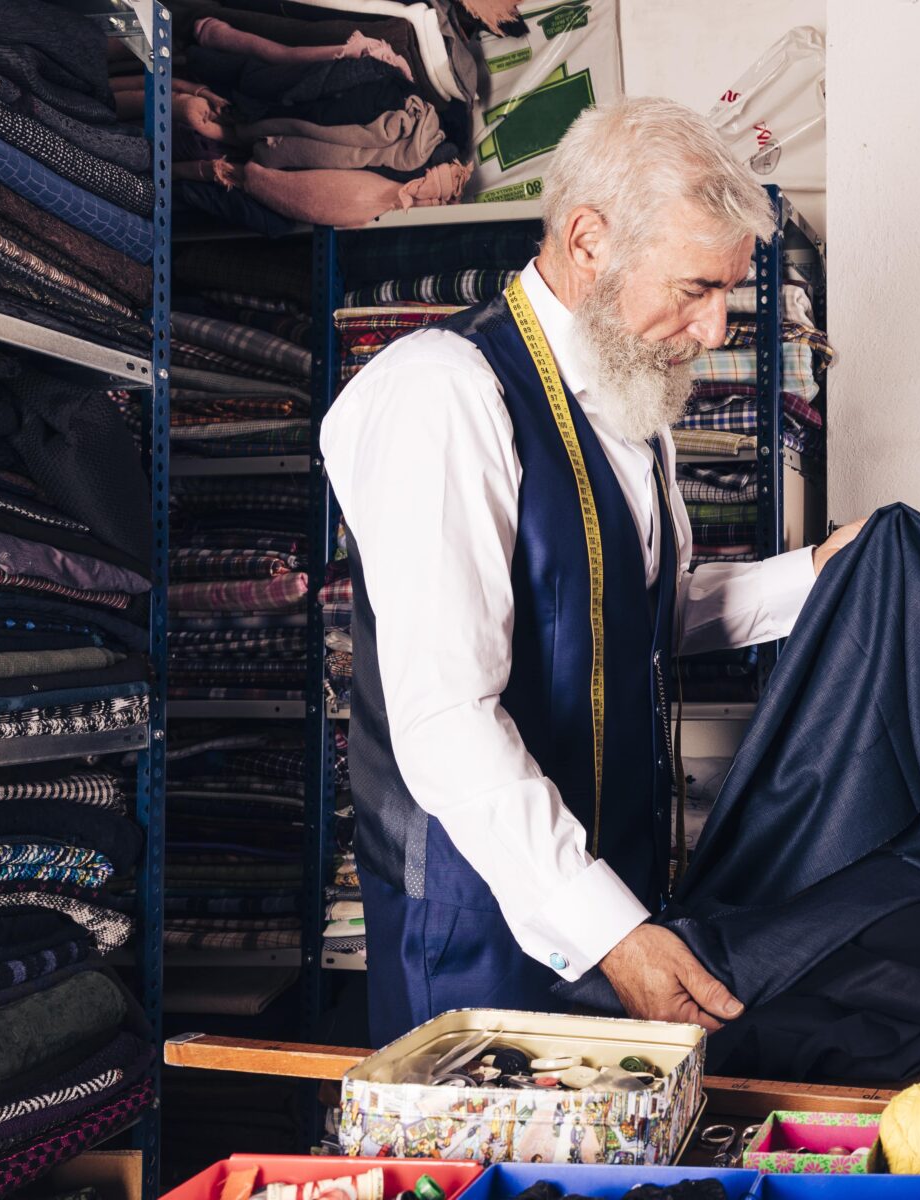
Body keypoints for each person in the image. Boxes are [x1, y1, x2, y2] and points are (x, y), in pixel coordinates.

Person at [322, 97, 863, 1045]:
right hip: (482, 932)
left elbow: (633, 613)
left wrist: (819, 575)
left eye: (728, 291)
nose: (716, 327)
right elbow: (447, 720)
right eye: (697, 287)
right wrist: (614, 933)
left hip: (609, 907)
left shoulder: (628, 404)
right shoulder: (444, 392)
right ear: (587, 239)